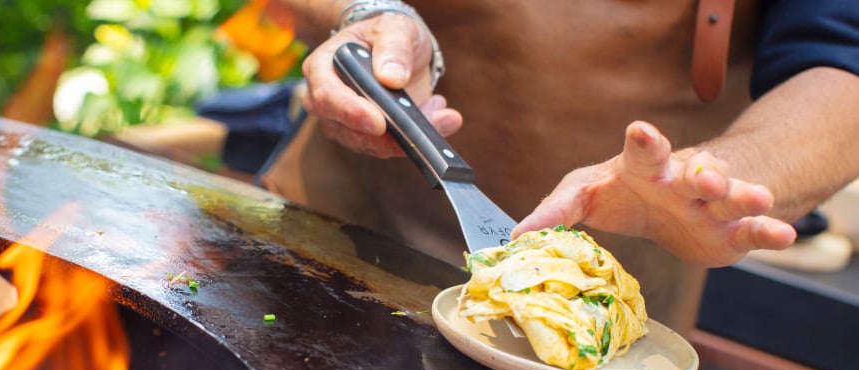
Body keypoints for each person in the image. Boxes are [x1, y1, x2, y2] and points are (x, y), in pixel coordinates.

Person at [258, 0, 859, 333]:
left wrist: (720, 173)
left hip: (598, 337)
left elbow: (842, 66)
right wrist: (366, 11)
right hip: (332, 259)